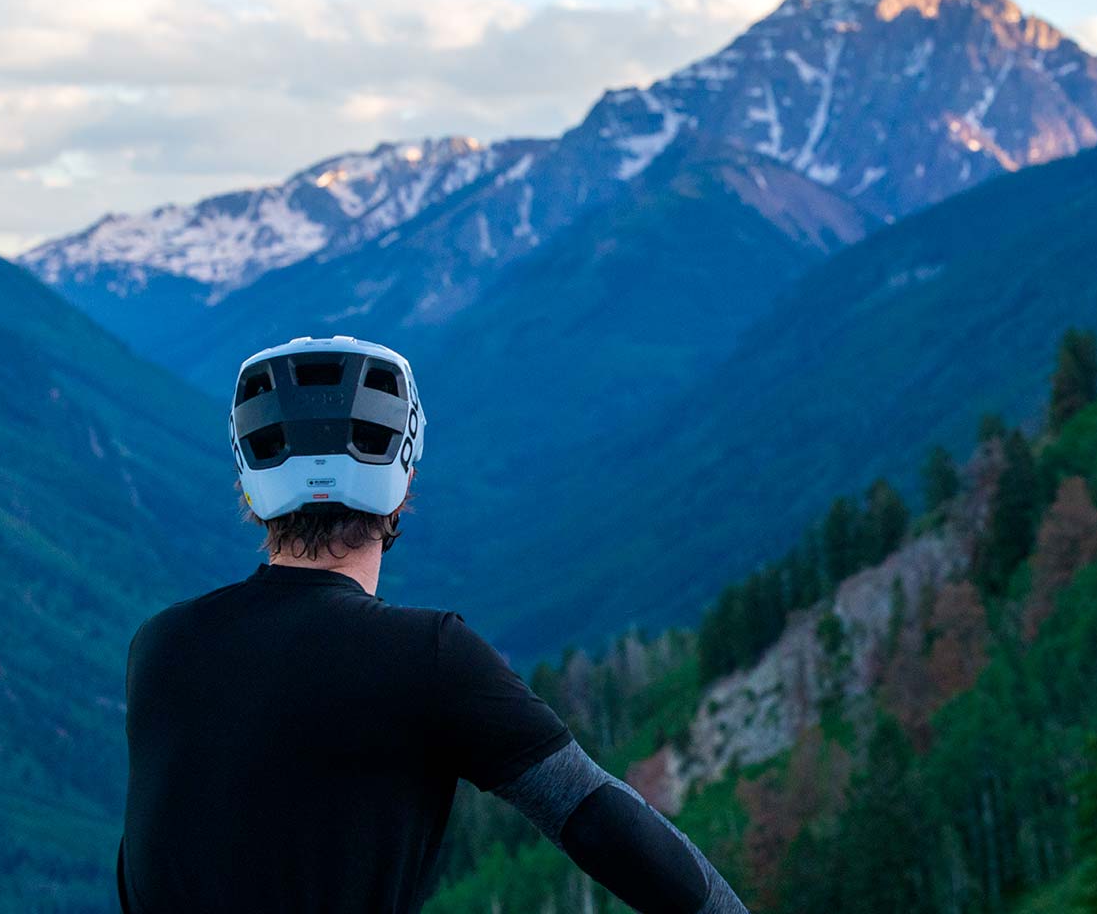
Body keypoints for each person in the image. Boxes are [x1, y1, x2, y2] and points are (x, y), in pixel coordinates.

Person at [119, 336, 748, 914]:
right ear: (404, 480)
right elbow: (597, 819)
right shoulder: (430, 656)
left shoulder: (161, 647)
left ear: (248, 485)